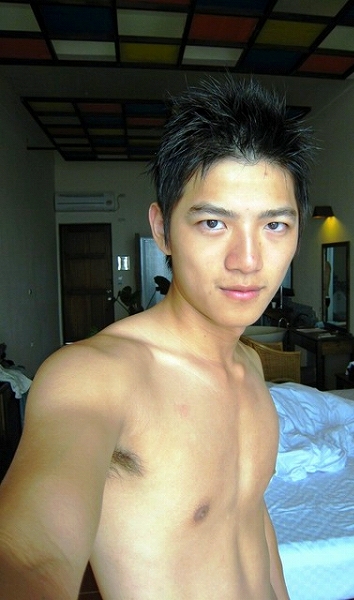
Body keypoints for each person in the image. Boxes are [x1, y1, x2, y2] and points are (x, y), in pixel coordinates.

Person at [0, 76, 314, 599]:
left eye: (274, 226)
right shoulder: (94, 375)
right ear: (163, 229)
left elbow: (251, 521)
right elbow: (31, 553)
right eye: (213, 223)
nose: (248, 260)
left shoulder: (250, 365)